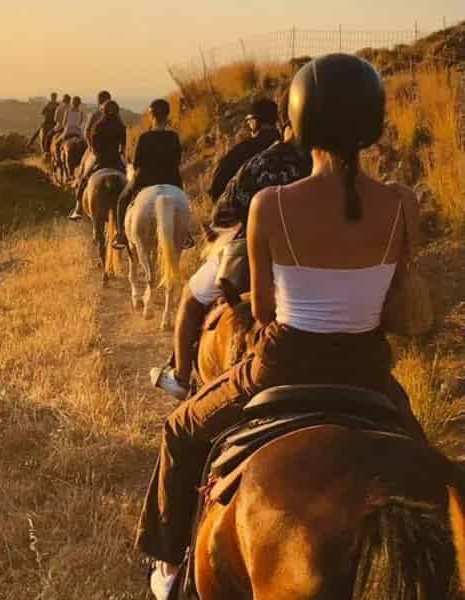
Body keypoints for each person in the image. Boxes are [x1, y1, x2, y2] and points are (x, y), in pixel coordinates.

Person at [135, 54, 427, 598]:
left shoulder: (269, 204)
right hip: (368, 368)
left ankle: (171, 566)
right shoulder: (402, 203)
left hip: (283, 361)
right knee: (424, 462)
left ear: (300, 119)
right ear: (372, 123)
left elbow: (265, 313)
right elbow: (398, 307)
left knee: (180, 430)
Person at [150, 89, 313, 398]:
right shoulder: (327, 166)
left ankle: (182, 377)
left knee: (190, 297)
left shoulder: (258, 162)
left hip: (249, 254)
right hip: (311, 258)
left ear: (284, 121)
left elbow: (222, 209)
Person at [111, 99, 183, 249]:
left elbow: (136, 162)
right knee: (182, 202)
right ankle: (185, 234)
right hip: (171, 180)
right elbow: (177, 161)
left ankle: (121, 235)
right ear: (167, 116)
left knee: (122, 200)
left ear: (152, 116)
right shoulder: (174, 137)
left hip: (145, 180)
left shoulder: (144, 138)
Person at [207, 98, 280, 203]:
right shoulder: (290, 146)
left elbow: (217, 187)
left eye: (249, 122)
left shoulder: (242, 151)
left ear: (255, 122)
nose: (248, 126)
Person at [69, 100, 127, 220]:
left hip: (100, 161)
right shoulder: (121, 126)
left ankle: (78, 208)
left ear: (103, 111)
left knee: (82, 180)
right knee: (129, 181)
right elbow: (123, 147)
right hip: (116, 161)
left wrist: (97, 152)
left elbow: (94, 148)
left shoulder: (98, 125)